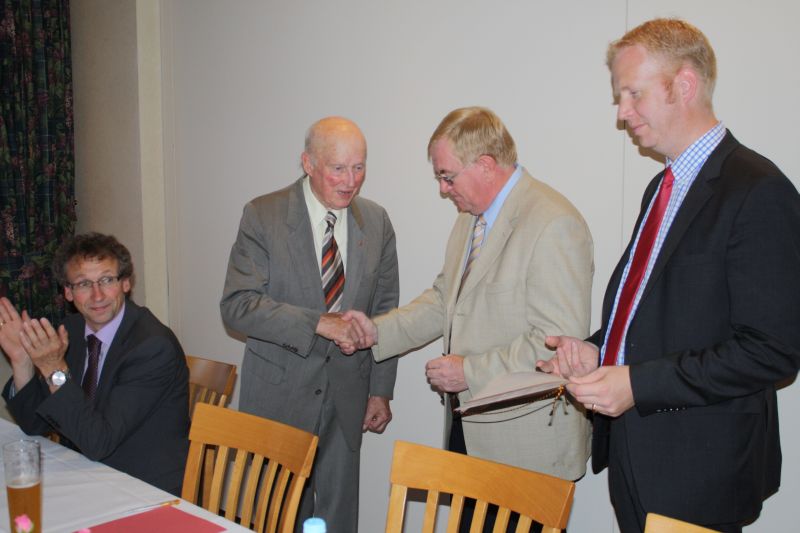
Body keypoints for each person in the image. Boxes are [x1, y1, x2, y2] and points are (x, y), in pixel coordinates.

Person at [539, 18, 800, 533]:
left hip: (701, 468)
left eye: (633, 94)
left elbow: (774, 350)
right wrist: (599, 348)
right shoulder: (662, 187)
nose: (622, 113)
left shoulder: (758, 189)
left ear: (684, 85)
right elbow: (657, 310)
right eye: (620, 97)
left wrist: (637, 383)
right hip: (637, 455)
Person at [345, 107, 593, 492]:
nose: (443, 189)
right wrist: (374, 333)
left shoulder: (552, 223)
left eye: (447, 176)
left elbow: (557, 346)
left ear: (485, 165)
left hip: (526, 451)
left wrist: (469, 372)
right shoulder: (470, 218)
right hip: (472, 431)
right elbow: (444, 299)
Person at [220, 116, 399, 533]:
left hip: (348, 395)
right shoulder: (263, 215)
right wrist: (318, 323)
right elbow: (237, 305)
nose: (351, 180)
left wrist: (380, 390)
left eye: (359, 167)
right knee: (278, 515)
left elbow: (386, 312)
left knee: (338, 521)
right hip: (279, 395)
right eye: (338, 168)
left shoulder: (377, 222)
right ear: (308, 163)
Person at [0, 233, 189, 494]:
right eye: (83, 284)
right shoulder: (72, 329)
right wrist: (22, 360)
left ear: (125, 283)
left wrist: (54, 369)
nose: (97, 295)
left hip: (141, 488)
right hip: (86, 471)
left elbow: (98, 442)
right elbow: (35, 424)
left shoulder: (152, 347)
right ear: (67, 292)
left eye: (106, 280)